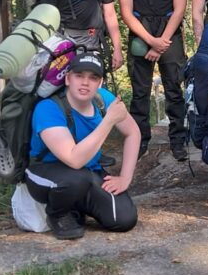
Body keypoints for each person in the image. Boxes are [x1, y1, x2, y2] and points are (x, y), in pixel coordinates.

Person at [25, 53, 141, 239]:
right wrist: (108, 121)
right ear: (68, 78)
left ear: (100, 82)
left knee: (124, 219)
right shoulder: (49, 107)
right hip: (44, 173)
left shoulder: (104, 99)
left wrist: (125, 178)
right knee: (76, 179)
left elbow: (133, 132)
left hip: (87, 172)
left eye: (93, 77)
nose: (85, 83)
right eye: (79, 75)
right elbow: (74, 159)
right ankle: (58, 214)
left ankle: (76, 208)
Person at [117, 0, 190, 160]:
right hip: (141, 33)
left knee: (174, 90)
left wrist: (161, 42)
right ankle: (138, 141)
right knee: (140, 92)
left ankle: (178, 140)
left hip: (170, 33)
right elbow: (126, 12)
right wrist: (150, 40)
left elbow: (179, 10)